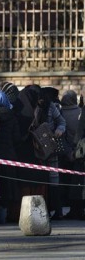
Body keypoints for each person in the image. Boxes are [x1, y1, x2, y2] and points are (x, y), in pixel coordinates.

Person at [32, 87, 66, 220]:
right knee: (41, 180)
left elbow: (62, 121)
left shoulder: (51, 107)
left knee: (53, 179)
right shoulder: (32, 106)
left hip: (51, 147)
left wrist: (59, 130)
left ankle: (58, 211)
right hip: (36, 146)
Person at [0, 90, 21, 223]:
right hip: (8, 153)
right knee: (7, 185)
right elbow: (17, 137)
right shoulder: (11, 115)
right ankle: (4, 213)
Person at [60, 90, 83, 219]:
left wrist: (68, 152)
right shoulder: (80, 112)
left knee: (67, 182)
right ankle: (79, 209)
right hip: (79, 153)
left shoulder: (60, 113)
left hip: (66, 153)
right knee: (78, 182)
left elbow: (62, 137)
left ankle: (73, 209)